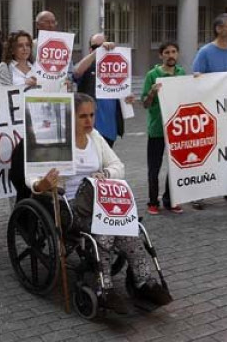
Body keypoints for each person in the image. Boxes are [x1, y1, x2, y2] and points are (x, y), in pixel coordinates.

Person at [27, 93, 162, 314]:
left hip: (99, 201)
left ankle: (143, 280)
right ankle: (104, 287)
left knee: (130, 229)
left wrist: (106, 172)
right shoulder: (57, 141)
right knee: (106, 230)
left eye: (91, 115)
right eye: (83, 116)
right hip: (67, 205)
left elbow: (119, 166)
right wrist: (41, 183)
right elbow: (32, 175)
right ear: (71, 117)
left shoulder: (96, 138)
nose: (89, 121)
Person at [191, 13, 227, 208]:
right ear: (219, 29)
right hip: (210, 114)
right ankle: (198, 193)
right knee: (206, 153)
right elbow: (197, 81)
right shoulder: (205, 53)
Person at [141, 42, 186, 215]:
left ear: (178, 54)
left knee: (175, 166)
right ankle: (152, 202)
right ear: (161, 56)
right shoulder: (152, 75)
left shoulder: (182, 73)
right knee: (154, 167)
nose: (170, 55)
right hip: (157, 129)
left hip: (177, 128)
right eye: (167, 52)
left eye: (174, 51)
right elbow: (145, 104)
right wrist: (152, 92)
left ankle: (170, 200)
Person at [73, 33, 134, 147]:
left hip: (110, 128)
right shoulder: (88, 66)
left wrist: (128, 97)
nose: (101, 49)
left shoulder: (116, 65)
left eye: (104, 46)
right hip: (90, 126)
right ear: (90, 49)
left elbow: (122, 91)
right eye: (96, 47)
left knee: (106, 162)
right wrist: (97, 53)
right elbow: (76, 72)